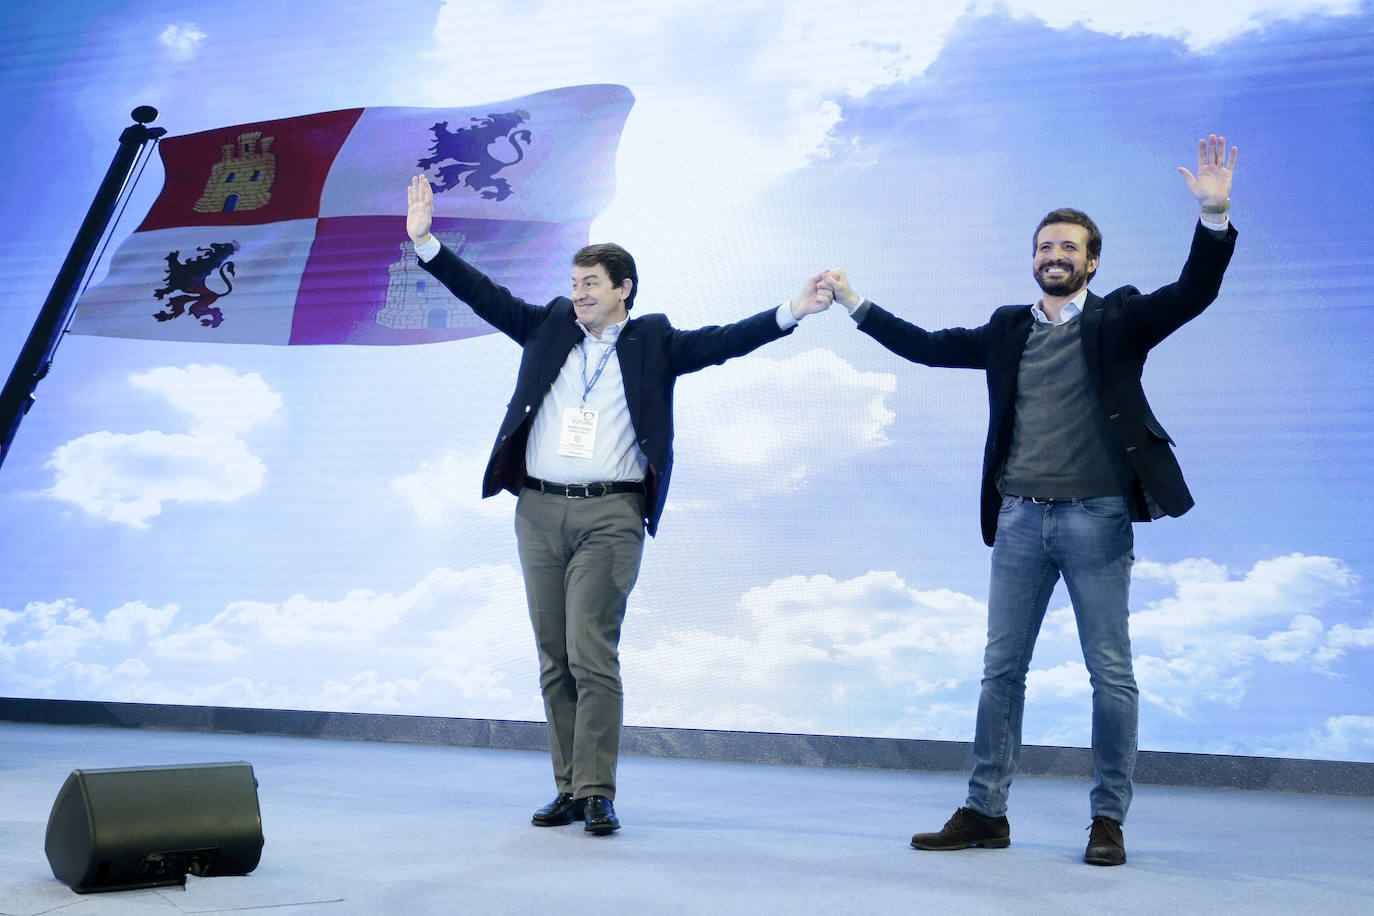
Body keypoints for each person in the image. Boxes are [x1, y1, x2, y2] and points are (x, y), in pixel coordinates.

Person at [821, 135, 1238, 865]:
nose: (1055, 254)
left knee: (1110, 673)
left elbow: (1194, 292)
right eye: (1045, 245)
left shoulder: (1119, 320)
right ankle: (986, 811)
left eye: (1069, 246)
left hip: (1096, 520)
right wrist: (854, 303)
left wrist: (1213, 215)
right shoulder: (1009, 327)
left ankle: (1108, 820)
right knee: (1000, 671)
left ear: (1092, 261)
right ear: (1034, 256)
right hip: (1018, 519)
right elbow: (925, 345)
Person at [405, 174, 831, 835]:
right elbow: (482, 296)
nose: (578, 294)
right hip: (538, 513)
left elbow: (725, 340)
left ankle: (599, 788)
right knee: (553, 655)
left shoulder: (652, 341)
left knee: (590, 652)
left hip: (610, 517)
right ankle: (569, 788)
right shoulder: (548, 327)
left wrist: (793, 310)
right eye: (575, 284)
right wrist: (427, 243)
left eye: (590, 285)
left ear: (623, 288)